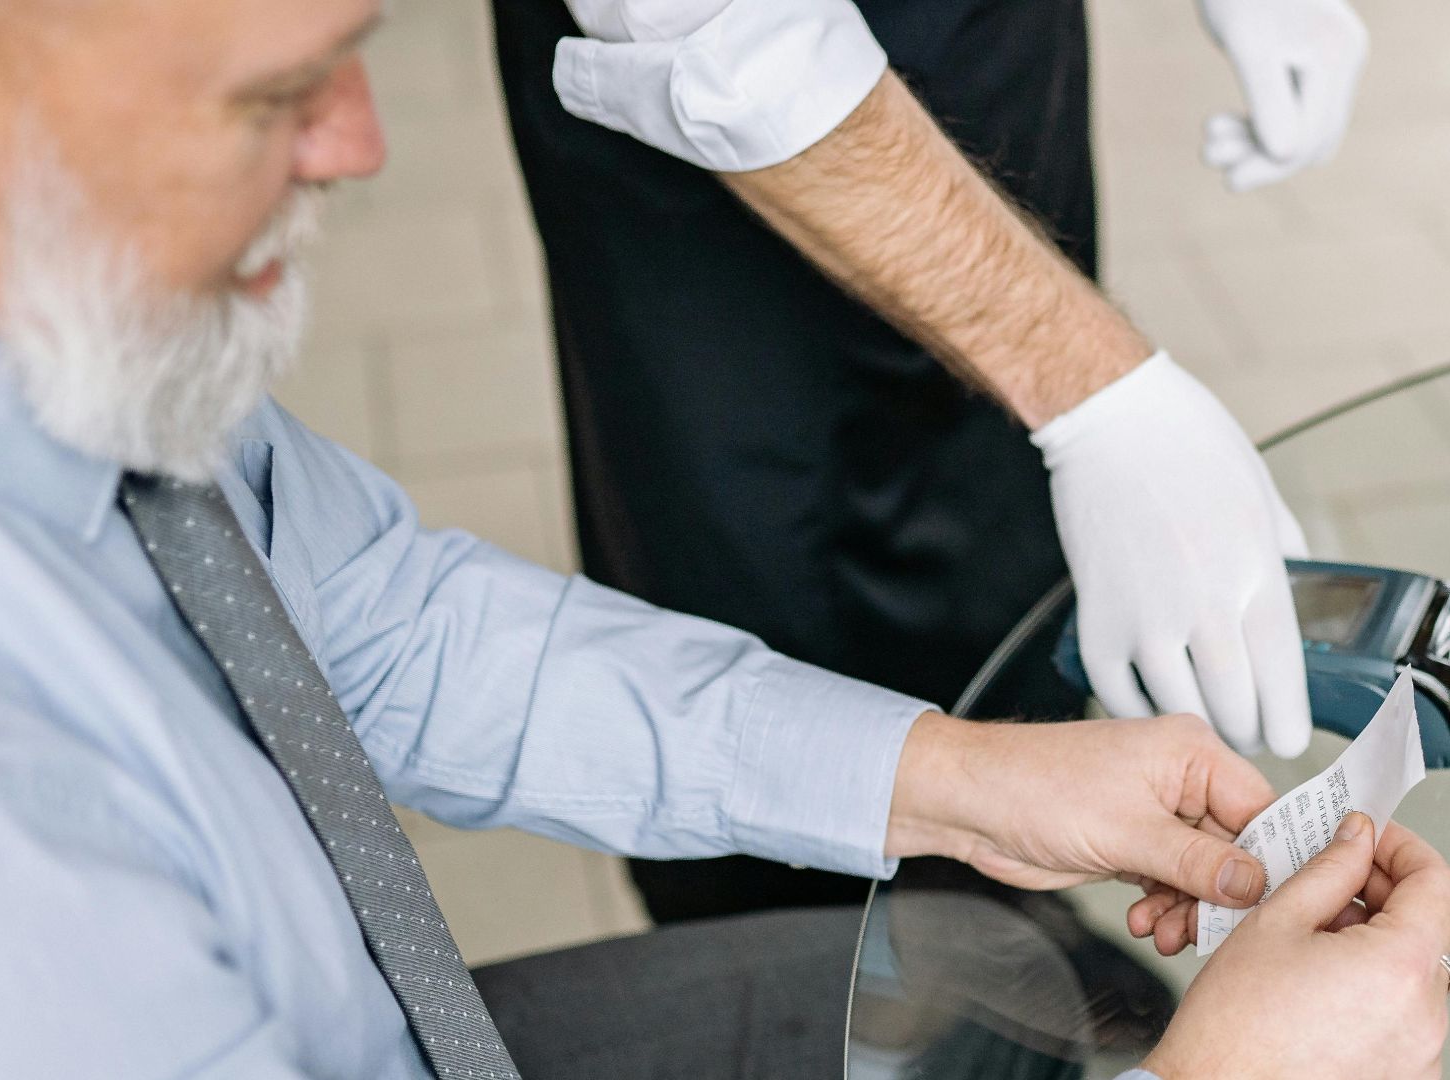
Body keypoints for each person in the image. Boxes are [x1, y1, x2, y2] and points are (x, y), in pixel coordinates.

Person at [0, 0, 1450, 1078]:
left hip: (376, 1018)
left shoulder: (45, 345)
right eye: (274, 93)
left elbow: (389, 626)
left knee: (1017, 985)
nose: (363, 145)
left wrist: (958, 780)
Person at [489, 0, 1370, 922]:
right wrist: (1093, 385)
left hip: (985, 53)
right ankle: (799, 982)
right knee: (765, 623)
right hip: (709, 131)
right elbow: (717, 37)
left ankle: (1008, 920)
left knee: (1015, 562)